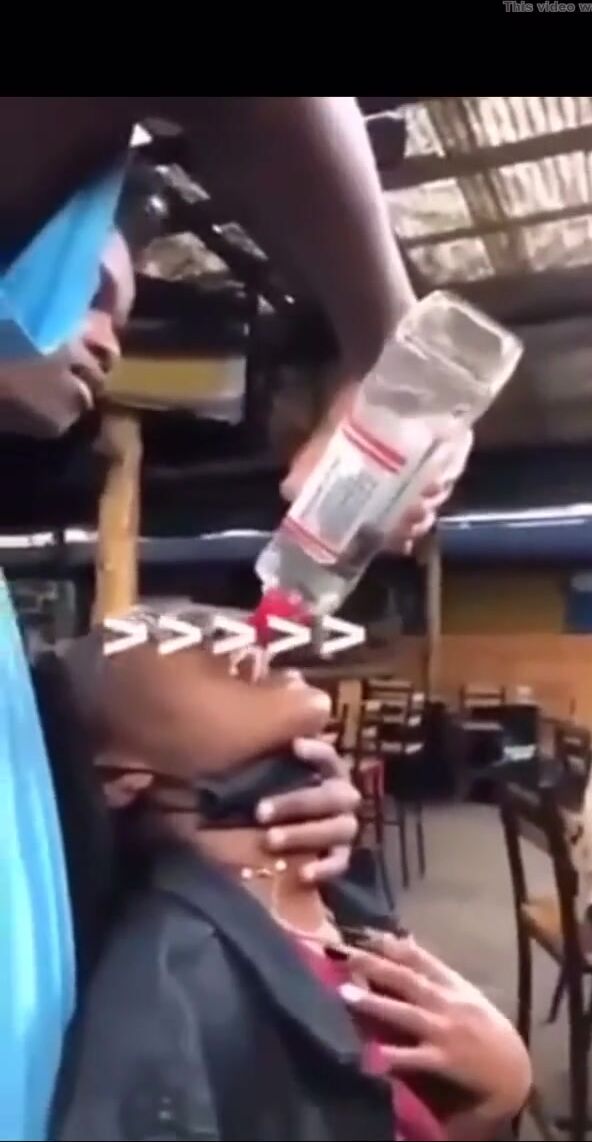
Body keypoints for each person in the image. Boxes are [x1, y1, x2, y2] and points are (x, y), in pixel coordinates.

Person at [36, 618, 531, 1141]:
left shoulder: (342, 902)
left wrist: (492, 1099)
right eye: (159, 631)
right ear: (118, 776)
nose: (238, 635)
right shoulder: (167, 998)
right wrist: (501, 1095)